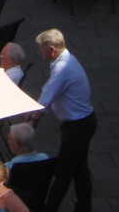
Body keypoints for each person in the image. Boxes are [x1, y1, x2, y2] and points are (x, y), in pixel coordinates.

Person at [27, 29, 97, 212]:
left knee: (63, 171)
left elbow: (46, 98)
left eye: (42, 49)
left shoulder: (62, 68)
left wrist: (33, 121)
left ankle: (50, 208)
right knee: (80, 169)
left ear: (52, 49)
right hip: (82, 123)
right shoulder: (65, 61)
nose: (40, 52)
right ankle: (84, 207)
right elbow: (49, 90)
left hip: (78, 126)